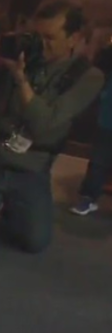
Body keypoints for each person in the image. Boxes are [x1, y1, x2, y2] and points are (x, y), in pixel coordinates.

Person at [0, 2, 104, 252]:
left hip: (30, 167)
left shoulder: (87, 76)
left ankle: (12, 206)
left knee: (35, 242)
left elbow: (44, 124)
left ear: (74, 38)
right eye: (36, 36)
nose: (40, 45)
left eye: (50, 38)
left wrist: (21, 79)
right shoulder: (15, 57)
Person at [70, 41, 112, 216]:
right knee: (98, 162)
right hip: (108, 119)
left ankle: (88, 198)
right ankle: (88, 198)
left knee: (99, 162)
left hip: (106, 117)